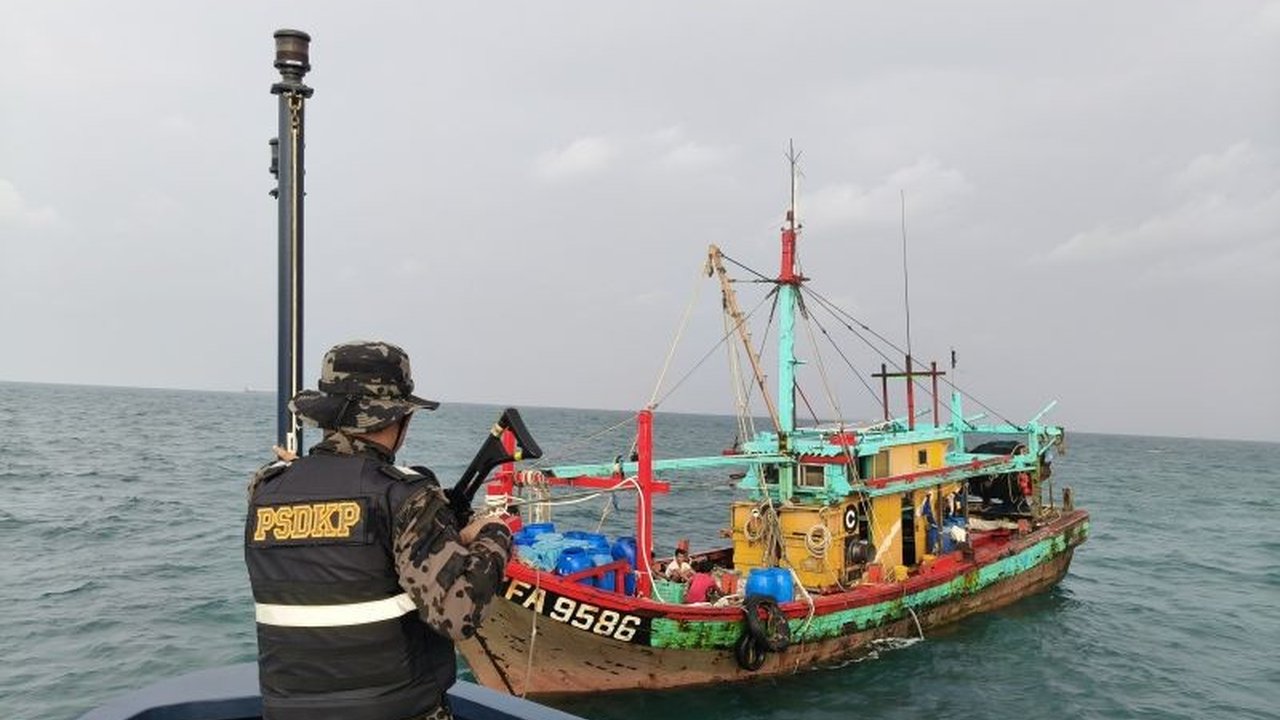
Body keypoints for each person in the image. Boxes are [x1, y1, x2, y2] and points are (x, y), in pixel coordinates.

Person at [244, 340, 512, 720]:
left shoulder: (265, 489)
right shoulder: (406, 495)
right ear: (398, 418)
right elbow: (458, 612)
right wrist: (492, 535)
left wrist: (297, 470)